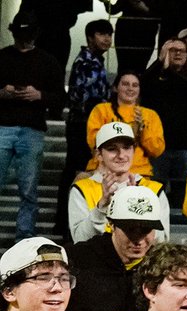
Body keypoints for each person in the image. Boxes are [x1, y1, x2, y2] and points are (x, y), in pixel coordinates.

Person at [0, 11, 65, 242]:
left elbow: (60, 98)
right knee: (25, 187)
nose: (25, 38)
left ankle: (25, 235)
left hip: (32, 127)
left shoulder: (48, 61)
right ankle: (24, 234)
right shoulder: (2, 57)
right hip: (5, 126)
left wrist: (39, 95)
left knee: (29, 188)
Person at [69, 122, 171, 244]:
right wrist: (101, 208)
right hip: (98, 261)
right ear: (99, 155)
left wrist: (136, 210)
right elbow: (80, 240)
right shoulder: (82, 189)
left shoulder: (153, 190)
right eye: (112, 149)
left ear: (134, 151)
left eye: (127, 148)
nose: (121, 155)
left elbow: (162, 241)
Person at [58, 18, 114, 236]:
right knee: (76, 171)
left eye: (109, 35)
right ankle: (65, 224)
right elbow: (79, 96)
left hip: (89, 123)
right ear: (90, 37)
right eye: (102, 34)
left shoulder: (96, 60)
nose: (107, 39)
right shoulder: (85, 61)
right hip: (81, 124)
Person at [140, 37, 187, 205]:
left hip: (186, 147)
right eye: (172, 50)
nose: (177, 53)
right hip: (158, 148)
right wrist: (160, 62)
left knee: (184, 194)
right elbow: (141, 85)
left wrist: (169, 70)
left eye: (181, 50)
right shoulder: (155, 75)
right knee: (153, 194)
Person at [85, 71, 166, 180]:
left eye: (135, 85)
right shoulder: (101, 110)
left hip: (139, 173)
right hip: (104, 171)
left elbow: (157, 150)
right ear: (115, 87)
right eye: (125, 84)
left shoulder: (150, 115)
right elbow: (94, 142)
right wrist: (129, 133)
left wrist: (142, 131)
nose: (130, 89)